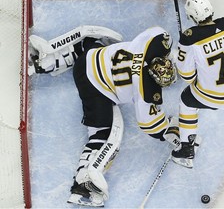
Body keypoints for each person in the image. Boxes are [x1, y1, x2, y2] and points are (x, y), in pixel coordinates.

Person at [28, 25, 180, 207]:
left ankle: (46, 61)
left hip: (89, 59)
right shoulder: (145, 92)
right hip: (95, 91)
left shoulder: (151, 43)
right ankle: (83, 184)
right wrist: (171, 131)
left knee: (90, 42)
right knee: (102, 134)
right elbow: (150, 125)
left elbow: (160, 32)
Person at [171, 0, 224, 168]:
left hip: (215, 98)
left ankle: (186, 147)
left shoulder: (189, 39)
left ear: (192, 17)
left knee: (186, 101)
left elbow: (187, 77)